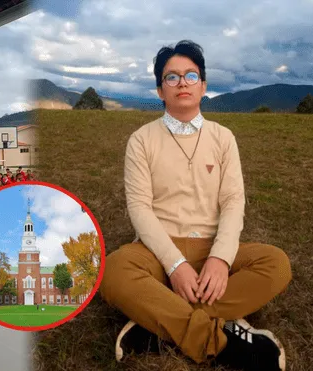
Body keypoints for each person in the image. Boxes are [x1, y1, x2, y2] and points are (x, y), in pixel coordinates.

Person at [99, 40, 292, 371]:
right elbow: (140, 209)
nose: (182, 83)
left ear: (203, 85)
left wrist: (220, 258)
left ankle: (157, 326)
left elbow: (233, 201)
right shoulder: (141, 140)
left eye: (190, 75)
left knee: (276, 264)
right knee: (112, 271)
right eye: (172, 77)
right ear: (160, 90)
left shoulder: (223, 138)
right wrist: (175, 265)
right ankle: (225, 342)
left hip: (211, 246)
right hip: (157, 251)